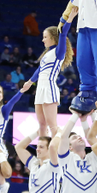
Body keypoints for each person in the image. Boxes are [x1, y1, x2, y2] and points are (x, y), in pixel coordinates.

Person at [25, 7, 77, 138]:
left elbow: (63, 34)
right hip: (40, 89)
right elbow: (39, 70)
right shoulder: (47, 53)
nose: (43, 40)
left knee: (53, 126)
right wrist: (30, 82)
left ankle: (58, 154)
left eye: (45, 37)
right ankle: (44, 156)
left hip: (49, 89)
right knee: (42, 125)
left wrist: (69, 19)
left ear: (53, 38)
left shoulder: (59, 52)